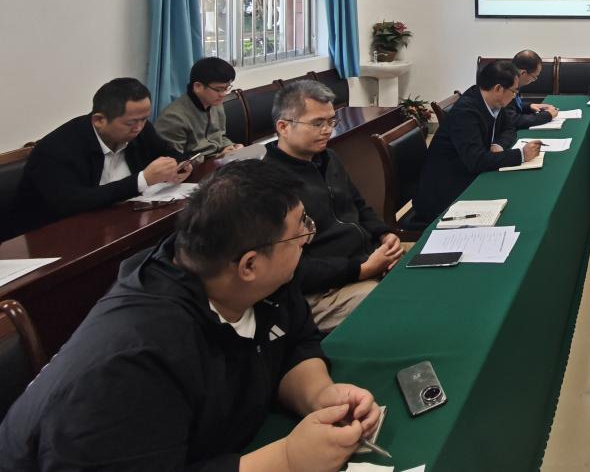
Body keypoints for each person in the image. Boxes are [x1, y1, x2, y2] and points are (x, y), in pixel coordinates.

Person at [0, 159, 381, 471]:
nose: (308, 237)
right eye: (301, 230)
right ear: (249, 265)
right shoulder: (133, 358)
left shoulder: (260, 282)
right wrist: (286, 460)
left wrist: (318, 394)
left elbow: (294, 341)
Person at [263, 80, 403, 330]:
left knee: (429, 265)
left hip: (365, 259)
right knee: (398, 304)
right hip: (323, 290)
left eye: (331, 121)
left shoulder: (328, 158)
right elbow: (288, 269)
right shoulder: (267, 183)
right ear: (283, 127)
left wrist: (384, 235)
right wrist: (361, 269)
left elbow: (359, 206)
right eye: (318, 123)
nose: (328, 131)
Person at [13, 77, 191, 232]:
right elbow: (72, 203)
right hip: (58, 236)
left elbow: (168, 152)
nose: (139, 128)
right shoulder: (56, 150)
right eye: (131, 123)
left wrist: (182, 165)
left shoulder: (139, 130)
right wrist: (142, 179)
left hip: (124, 222)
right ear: (99, 120)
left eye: (145, 119)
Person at [405, 60, 541, 228]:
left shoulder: (493, 102)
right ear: (498, 88)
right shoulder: (466, 112)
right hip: (444, 192)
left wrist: (498, 146)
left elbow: (510, 128)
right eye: (514, 91)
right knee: (516, 203)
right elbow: (476, 161)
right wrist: (521, 155)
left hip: (467, 174)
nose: (515, 96)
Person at [154, 56, 245, 158]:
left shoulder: (215, 103)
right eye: (219, 89)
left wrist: (231, 147)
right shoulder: (173, 118)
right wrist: (217, 157)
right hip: (197, 166)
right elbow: (175, 161)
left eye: (226, 88)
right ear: (198, 87)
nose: (223, 94)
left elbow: (220, 136)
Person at [506, 49, 559, 129]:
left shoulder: (513, 80)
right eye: (534, 77)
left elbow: (514, 105)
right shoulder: (506, 86)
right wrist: (547, 116)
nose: (534, 80)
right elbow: (513, 120)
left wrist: (529, 106)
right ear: (523, 73)